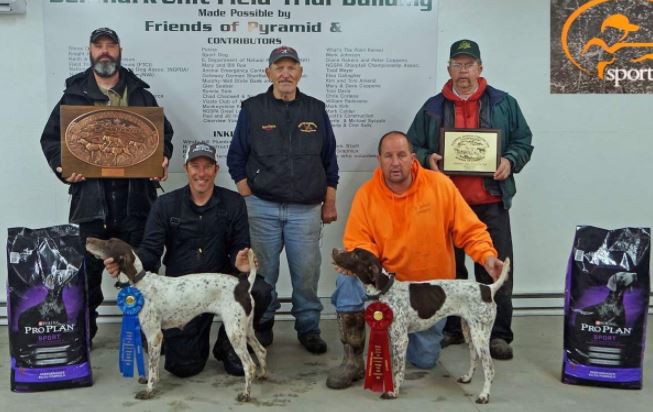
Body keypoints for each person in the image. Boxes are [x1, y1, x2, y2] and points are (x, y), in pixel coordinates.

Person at [326, 131, 504, 389]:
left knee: (424, 360)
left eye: (401, 155)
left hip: (425, 295)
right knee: (346, 282)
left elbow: (470, 230)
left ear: (412, 158)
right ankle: (352, 360)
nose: (395, 162)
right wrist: (360, 266)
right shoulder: (366, 194)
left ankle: (394, 339)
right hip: (384, 288)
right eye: (388, 156)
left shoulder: (440, 186)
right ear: (379, 159)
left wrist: (487, 256)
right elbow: (359, 242)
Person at [40, 27, 174, 342]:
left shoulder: (141, 94)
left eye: (110, 46)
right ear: (90, 51)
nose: (104, 52)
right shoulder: (72, 95)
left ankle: (146, 333)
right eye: (98, 46)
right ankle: (82, 336)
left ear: (119, 51)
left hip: (135, 202)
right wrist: (63, 168)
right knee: (84, 277)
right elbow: (51, 140)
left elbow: (161, 136)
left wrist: (162, 158)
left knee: (141, 271)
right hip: (90, 203)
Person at [406, 39, 534, 360]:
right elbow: (411, 146)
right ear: (448, 68)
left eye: (469, 65)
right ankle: (451, 328)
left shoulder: (505, 103)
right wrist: (427, 158)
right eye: (457, 65)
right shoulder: (431, 107)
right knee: (449, 272)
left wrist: (510, 160)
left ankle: (498, 334)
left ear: (480, 68)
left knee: (494, 269)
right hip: (446, 206)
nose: (463, 71)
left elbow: (523, 141)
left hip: (490, 202)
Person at [104, 142, 273, 377]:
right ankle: (178, 340)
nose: (201, 173)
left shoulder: (234, 202)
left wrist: (240, 261)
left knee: (260, 290)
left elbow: (239, 245)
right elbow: (150, 252)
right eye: (195, 166)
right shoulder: (164, 205)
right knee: (183, 368)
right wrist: (124, 263)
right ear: (186, 168)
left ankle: (229, 345)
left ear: (216, 169)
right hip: (182, 293)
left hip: (219, 284)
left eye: (207, 166)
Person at [226, 46, 339, 354]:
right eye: (279, 68)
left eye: (292, 67)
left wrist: (329, 201)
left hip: (306, 210)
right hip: (262, 207)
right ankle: (262, 325)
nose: (286, 73)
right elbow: (236, 156)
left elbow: (330, 160)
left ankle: (309, 328)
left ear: (300, 72)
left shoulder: (316, 110)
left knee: (306, 273)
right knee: (264, 274)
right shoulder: (252, 109)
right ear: (269, 73)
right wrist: (248, 193)